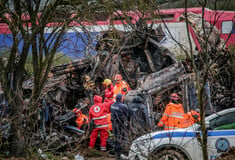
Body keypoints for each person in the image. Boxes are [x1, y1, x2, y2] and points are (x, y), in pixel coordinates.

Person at [110, 94, 129, 159]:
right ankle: (119, 153)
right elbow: (127, 115)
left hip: (114, 123)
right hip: (121, 124)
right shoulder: (123, 106)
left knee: (115, 137)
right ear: (121, 99)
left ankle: (116, 152)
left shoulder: (112, 105)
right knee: (121, 137)